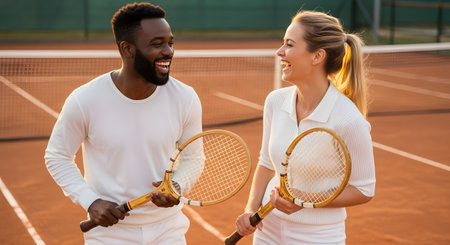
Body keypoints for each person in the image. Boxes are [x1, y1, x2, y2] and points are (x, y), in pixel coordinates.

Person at [44, 2, 202, 244]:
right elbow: (57, 156)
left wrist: (177, 186)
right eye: (157, 44)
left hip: (168, 229)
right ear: (127, 49)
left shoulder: (185, 97)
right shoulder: (85, 99)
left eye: (170, 43)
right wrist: (91, 201)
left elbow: (194, 158)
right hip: (108, 234)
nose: (168, 51)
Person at [234, 10, 376, 245]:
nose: (279, 52)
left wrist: (305, 200)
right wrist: (250, 209)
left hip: (318, 237)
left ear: (317, 56)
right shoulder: (275, 101)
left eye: (289, 45)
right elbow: (267, 164)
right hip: (267, 230)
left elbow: (364, 190)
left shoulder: (349, 120)